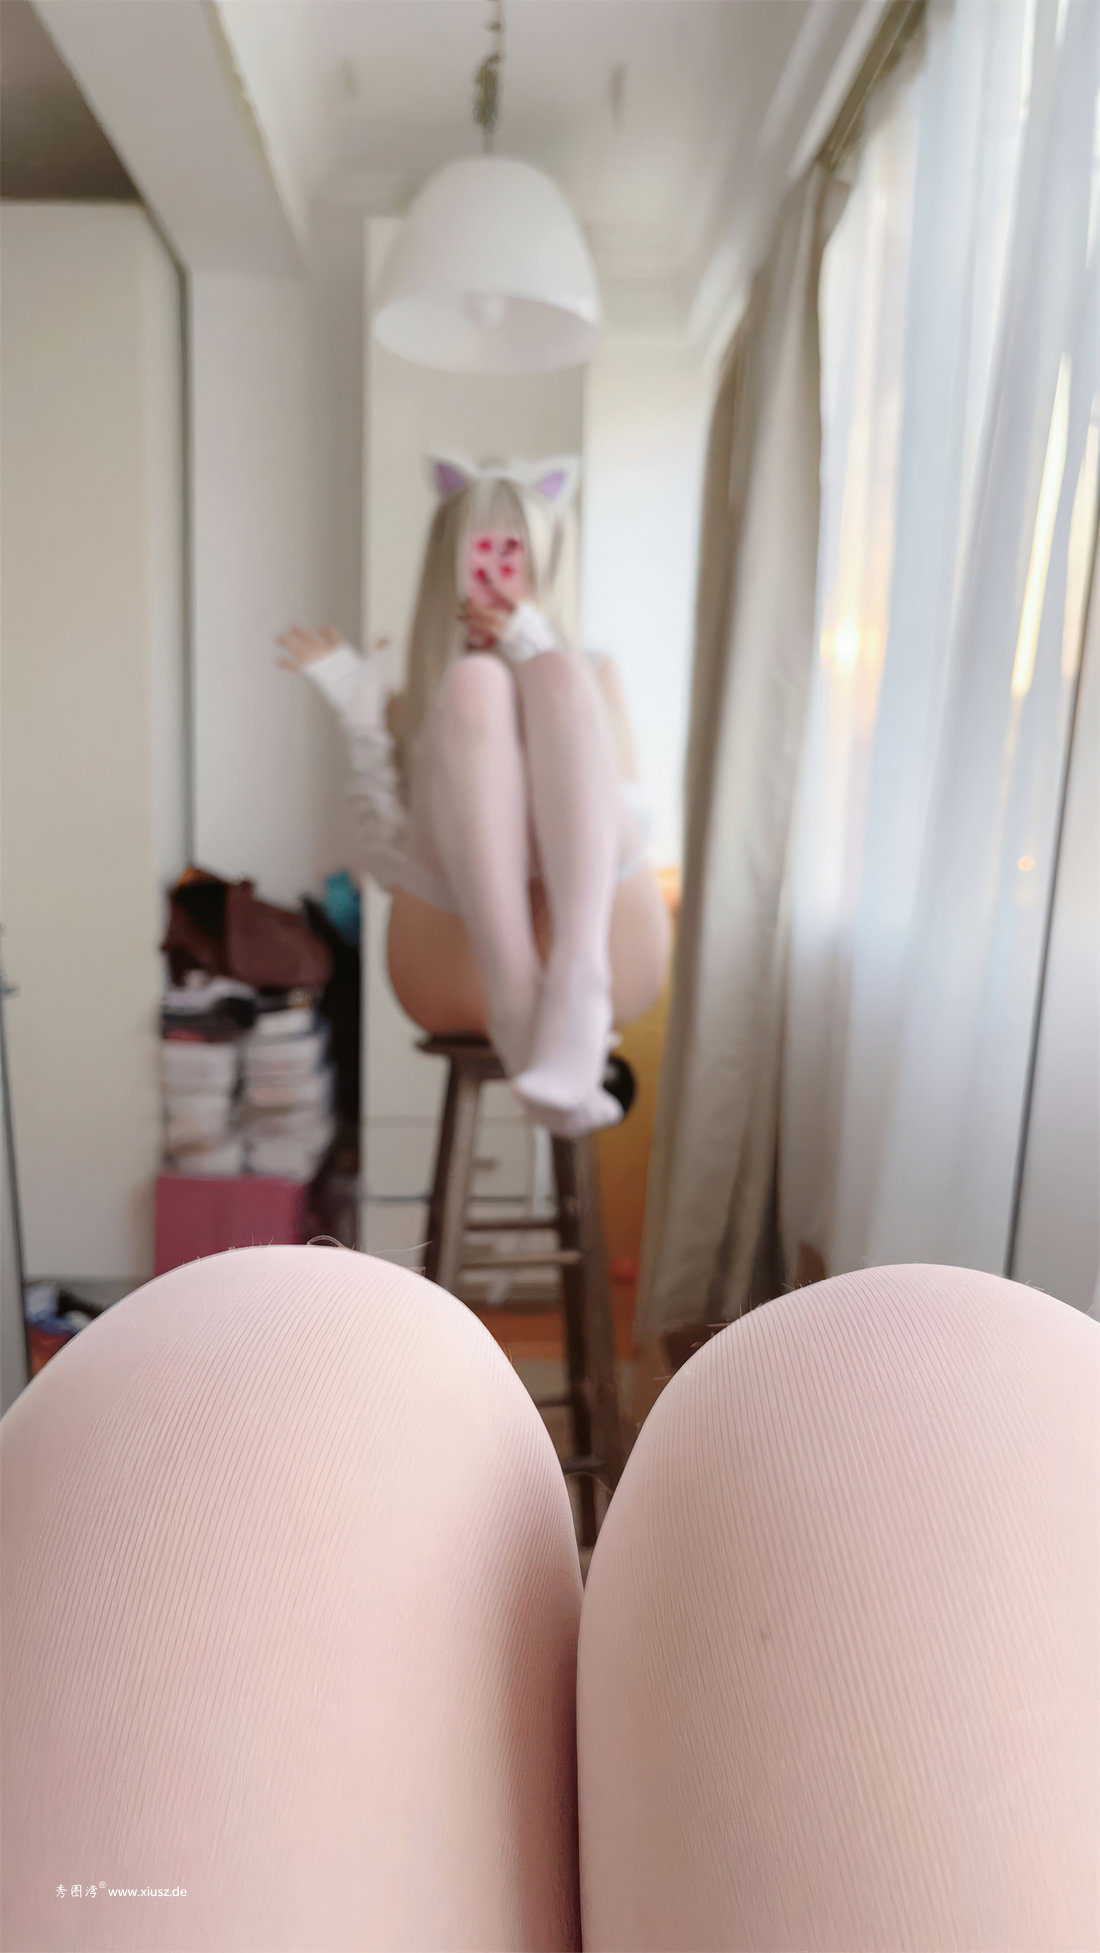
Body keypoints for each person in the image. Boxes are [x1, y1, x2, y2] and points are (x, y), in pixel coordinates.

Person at [278, 455, 670, 1137]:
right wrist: (362, 716)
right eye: (481, 556)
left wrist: (532, 648)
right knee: (473, 686)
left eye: (515, 557)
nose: (495, 576)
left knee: (558, 672)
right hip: (461, 958)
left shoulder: (589, 672)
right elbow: (388, 863)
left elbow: (632, 816)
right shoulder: (424, 696)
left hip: (608, 934)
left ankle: (578, 983)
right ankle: (518, 999)